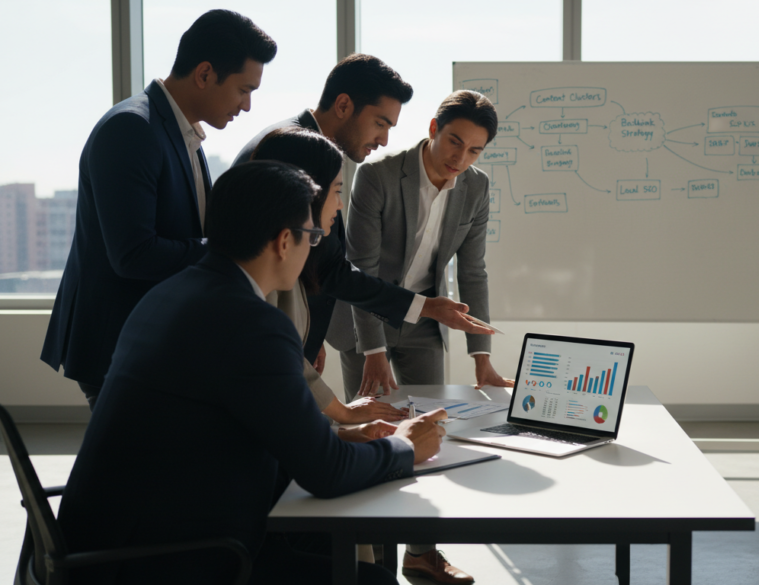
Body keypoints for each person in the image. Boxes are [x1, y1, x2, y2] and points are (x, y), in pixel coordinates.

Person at [57, 161, 449, 585]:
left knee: (334, 542)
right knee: (373, 581)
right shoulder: (251, 322)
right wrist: (405, 445)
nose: (312, 249)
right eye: (312, 237)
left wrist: (335, 436)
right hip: (167, 560)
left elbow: (240, 419)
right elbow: (328, 473)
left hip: (108, 542)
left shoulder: (172, 292)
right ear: (284, 241)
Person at [40, 9, 277, 409]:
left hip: (153, 341)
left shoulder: (182, 132)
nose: (248, 105)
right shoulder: (132, 128)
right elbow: (133, 254)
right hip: (121, 344)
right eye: (243, 89)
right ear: (205, 74)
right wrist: (229, 249)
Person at [234, 53, 492, 399]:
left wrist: (311, 329)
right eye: (380, 124)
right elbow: (333, 268)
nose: (383, 139)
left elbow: (318, 262)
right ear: (343, 105)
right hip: (262, 334)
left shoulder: (298, 143)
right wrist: (425, 308)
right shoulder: (296, 152)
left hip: (286, 328)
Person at [339, 90, 513, 400]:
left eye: (474, 151)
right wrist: (374, 350)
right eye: (455, 142)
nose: (460, 159)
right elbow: (361, 269)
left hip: (426, 319)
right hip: (365, 314)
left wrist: (482, 358)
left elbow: (472, 271)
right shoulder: (376, 176)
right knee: (369, 416)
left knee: (432, 415)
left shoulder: (477, 186)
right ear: (434, 129)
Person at [249, 127, 407, 425]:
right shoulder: (255, 288)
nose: (340, 204)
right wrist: (389, 443)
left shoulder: (275, 263)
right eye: (336, 190)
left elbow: (289, 360)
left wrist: (343, 425)